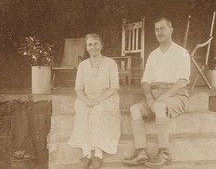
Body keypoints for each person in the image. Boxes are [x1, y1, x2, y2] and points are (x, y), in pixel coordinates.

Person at [122, 17, 191, 168]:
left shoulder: (181, 52)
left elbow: (182, 82)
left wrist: (160, 99)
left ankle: (165, 153)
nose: (159, 32)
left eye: (163, 28)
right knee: (135, 109)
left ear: (171, 29)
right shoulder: (153, 55)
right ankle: (141, 152)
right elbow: (145, 81)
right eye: (156, 29)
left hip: (176, 95)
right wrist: (149, 98)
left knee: (159, 106)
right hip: (155, 96)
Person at [68, 33, 121, 169]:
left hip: (106, 98)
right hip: (87, 99)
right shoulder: (82, 66)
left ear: (101, 45)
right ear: (86, 48)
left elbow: (114, 87)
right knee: (83, 114)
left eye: (96, 44)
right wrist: (86, 100)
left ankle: (98, 155)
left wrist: (97, 100)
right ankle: (86, 154)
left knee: (97, 113)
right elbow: (79, 89)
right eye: (90, 45)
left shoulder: (110, 63)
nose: (93, 47)